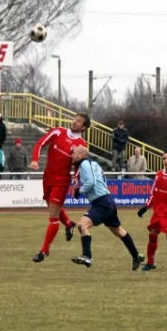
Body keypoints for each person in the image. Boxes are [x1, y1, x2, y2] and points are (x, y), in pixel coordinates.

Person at [70, 146, 145, 270]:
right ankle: (136, 255)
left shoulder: (84, 164)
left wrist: (79, 191)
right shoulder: (94, 164)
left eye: (74, 153)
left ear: (81, 156)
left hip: (101, 202)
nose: (72, 156)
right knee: (119, 231)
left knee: (82, 226)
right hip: (108, 200)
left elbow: (90, 182)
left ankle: (87, 256)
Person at [30, 113, 90, 263]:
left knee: (53, 217)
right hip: (48, 176)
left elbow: (79, 165)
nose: (74, 122)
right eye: (74, 119)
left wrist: (76, 178)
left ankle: (44, 250)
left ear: (83, 127)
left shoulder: (81, 144)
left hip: (61, 181)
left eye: (78, 122)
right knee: (51, 207)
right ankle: (69, 224)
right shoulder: (58, 131)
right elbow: (40, 143)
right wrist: (35, 161)